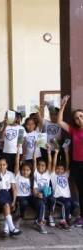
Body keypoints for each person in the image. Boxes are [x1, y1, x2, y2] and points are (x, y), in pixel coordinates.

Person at [57, 95, 83, 226]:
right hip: (76, 164)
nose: (79, 119)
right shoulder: (74, 130)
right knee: (80, 190)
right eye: (76, 118)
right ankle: (81, 217)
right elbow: (60, 122)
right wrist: (63, 106)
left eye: (81, 116)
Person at [0, 151, 21, 236]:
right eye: (0, 165)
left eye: (4, 164)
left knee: (8, 207)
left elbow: (14, 188)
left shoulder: (10, 174)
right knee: (7, 206)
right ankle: (12, 228)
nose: (2, 166)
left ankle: (6, 229)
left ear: (7, 165)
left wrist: (14, 201)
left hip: (8, 194)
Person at [33, 145, 55, 234]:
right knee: (41, 203)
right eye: (39, 165)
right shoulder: (35, 174)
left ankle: (50, 215)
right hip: (38, 195)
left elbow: (50, 162)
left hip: (47, 194)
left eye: (43, 165)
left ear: (46, 167)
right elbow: (34, 160)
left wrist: (49, 151)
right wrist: (35, 148)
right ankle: (40, 222)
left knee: (53, 198)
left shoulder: (47, 173)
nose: (40, 167)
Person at [50, 146, 72, 230]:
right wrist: (56, 153)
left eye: (61, 169)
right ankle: (63, 221)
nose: (59, 170)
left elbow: (67, 164)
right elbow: (54, 164)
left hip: (67, 197)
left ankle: (68, 217)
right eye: (58, 169)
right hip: (58, 197)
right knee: (66, 204)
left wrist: (66, 152)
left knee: (74, 205)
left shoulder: (65, 175)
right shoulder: (53, 176)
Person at [14, 145, 34, 228]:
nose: (25, 172)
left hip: (29, 197)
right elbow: (16, 163)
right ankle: (20, 217)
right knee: (24, 203)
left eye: (28, 170)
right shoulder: (18, 176)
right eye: (23, 170)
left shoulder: (31, 178)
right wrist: (18, 151)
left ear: (31, 171)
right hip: (20, 197)